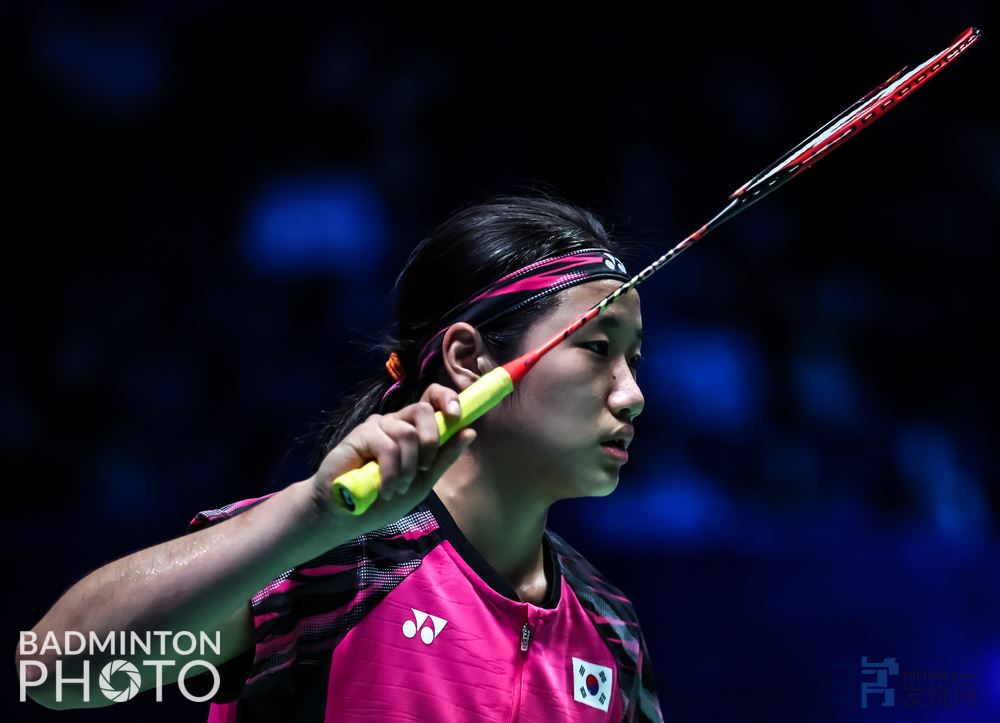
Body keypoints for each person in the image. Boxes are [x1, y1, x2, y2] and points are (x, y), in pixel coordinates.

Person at [18, 195, 664, 722]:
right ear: (470, 359)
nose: (631, 394)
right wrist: (310, 518)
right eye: (596, 348)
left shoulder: (608, 628)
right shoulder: (341, 560)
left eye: (633, 360)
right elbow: (52, 672)